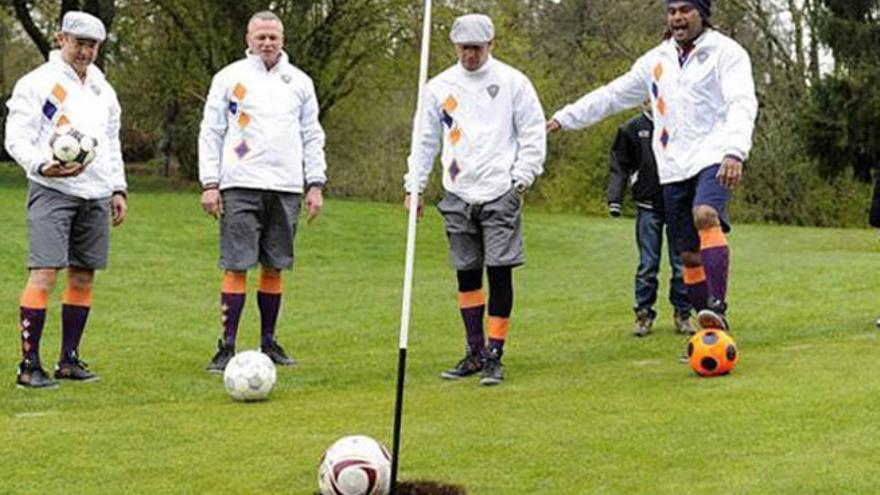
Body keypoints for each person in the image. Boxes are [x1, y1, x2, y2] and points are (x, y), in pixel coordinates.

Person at [548, 0, 757, 334]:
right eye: (672, 10)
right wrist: (564, 117)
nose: (677, 17)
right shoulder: (655, 60)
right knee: (688, 256)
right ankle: (710, 329)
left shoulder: (727, 53)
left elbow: (741, 102)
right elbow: (613, 95)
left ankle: (717, 305)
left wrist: (734, 151)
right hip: (673, 164)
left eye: (685, 9)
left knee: (705, 214)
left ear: (702, 14)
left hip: (715, 154)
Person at [405, 14, 546, 386]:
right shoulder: (439, 87)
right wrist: (414, 186)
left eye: (477, 48)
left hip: (501, 190)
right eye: (464, 48)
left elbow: (532, 131)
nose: (470, 55)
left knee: (499, 271)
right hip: (458, 191)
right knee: (467, 274)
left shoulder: (513, 82)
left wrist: (521, 179)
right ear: (455, 47)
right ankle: (474, 350)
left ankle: (495, 353)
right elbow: (424, 140)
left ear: (490, 45)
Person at [5, 11, 128, 388]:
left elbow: (111, 142)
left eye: (92, 46)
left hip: (95, 192)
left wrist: (118, 187)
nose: (86, 52)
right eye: (80, 43)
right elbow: (15, 137)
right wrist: (41, 165)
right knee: (44, 273)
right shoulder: (36, 83)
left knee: (83, 275)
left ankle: (68, 360)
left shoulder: (103, 90)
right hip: (52, 190)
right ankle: (29, 366)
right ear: (61, 39)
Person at [198, 10, 326, 372]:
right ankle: (227, 345)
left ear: (282, 39)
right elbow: (211, 131)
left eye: (273, 37)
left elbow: (312, 134)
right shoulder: (229, 78)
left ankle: (269, 341)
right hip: (240, 182)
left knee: (274, 266)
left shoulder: (299, 82)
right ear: (248, 40)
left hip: (285, 186)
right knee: (237, 264)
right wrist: (210, 182)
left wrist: (314, 183)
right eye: (260, 37)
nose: (267, 43)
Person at [608, 101, 693, 337]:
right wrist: (615, 198)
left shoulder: (681, 123)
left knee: (681, 263)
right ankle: (643, 315)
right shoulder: (631, 129)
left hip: (678, 203)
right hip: (648, 205)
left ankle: (683, 314)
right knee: (647, 264)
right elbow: (619, 166)